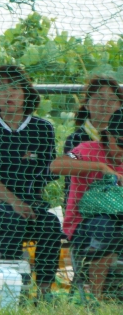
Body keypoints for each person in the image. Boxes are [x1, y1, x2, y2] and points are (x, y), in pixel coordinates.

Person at [0, 65, 63, 296]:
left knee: (50, 224)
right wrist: (14, 202)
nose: (7, 94)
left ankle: (44, 292)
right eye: (1, 89)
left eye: (14, 88)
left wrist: (26, 202)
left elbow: (48, 170)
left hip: (31, 206)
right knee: (14, 221)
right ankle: (12, 289)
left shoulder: (43, 128)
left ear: (26, 93)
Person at [51, 108, 123, 299]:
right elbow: (57, 165)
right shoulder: (84, 150)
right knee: (107, 225)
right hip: (84, 225)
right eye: (121, 143)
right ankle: (94, 297)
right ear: (108, 135)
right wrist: (101, 167)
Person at [62, 76, 123, 204]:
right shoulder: (75, 140)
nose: (105, 104)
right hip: (84, 206)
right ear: (86, 104)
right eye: (99, 98)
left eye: (112, 99)